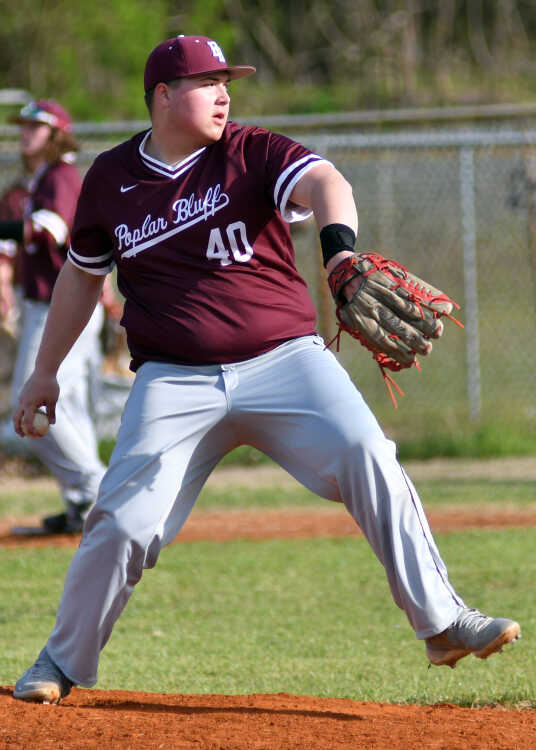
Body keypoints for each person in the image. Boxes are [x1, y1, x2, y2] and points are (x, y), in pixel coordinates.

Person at [11, 35, 520, 704]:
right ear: (164, 95)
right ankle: (61, 659)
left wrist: (339, 254)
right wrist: (44, 372)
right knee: (124, 520)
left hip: (285, 361)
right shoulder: (112, 177)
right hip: (174, 378)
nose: (224, 94)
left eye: (229, 81)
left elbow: (325, 182)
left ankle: (443, 621)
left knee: (368, 452)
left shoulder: (252, 150)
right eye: (206, 82)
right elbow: (82, 275)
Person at [0, 100, 108, 534]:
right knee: (68, 408)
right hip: (55, 307)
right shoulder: (41, 179)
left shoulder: (61, 176)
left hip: (62, 310)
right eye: (23, 127)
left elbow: (51, 230)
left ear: (58, 133)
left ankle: (95, 489)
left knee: (27, 400)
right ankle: (83, 503)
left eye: (36, 127)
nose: (25, 134)